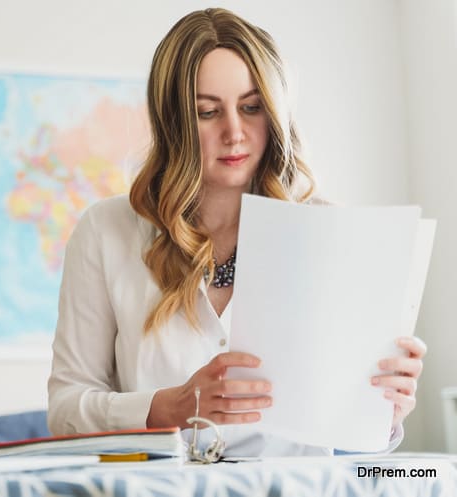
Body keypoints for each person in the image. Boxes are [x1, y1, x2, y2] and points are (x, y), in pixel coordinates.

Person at [46, 7, 426, 456]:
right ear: (174, 123)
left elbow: (361, 450)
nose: (234, 132)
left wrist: (384, 410)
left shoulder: (331, 235)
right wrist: (167, 407)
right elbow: (65, 412)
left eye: (251, 108)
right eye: (207, 112)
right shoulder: (105, 232)